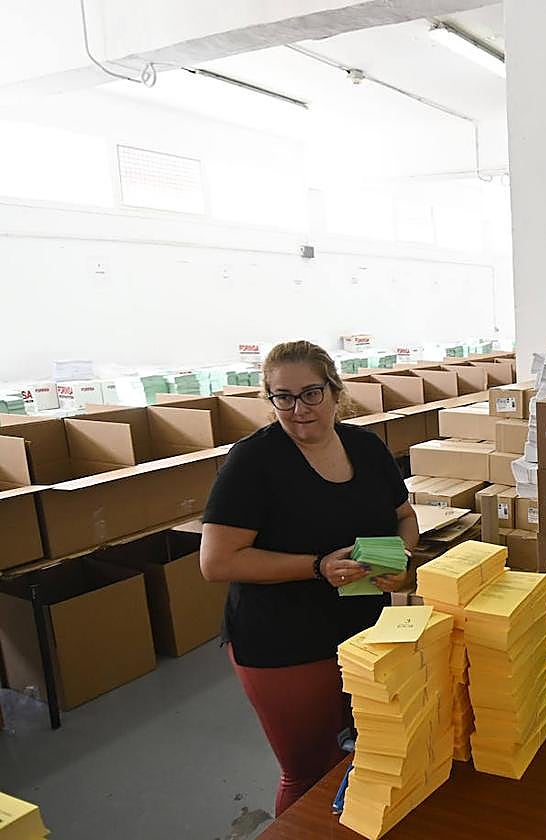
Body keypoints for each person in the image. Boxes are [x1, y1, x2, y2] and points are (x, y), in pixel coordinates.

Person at [199, 340, 419, 815]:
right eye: (283, 397)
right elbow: (216, 562)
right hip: (284, 643)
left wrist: (401, 562)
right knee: (309, 771)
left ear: (335, 392)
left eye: (312, 393)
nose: (299, 409)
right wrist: (317, 567)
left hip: (363, 632)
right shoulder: (253, 462)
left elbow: (405, 516)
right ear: (270, 399)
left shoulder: (365, 446)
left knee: (364, 754)